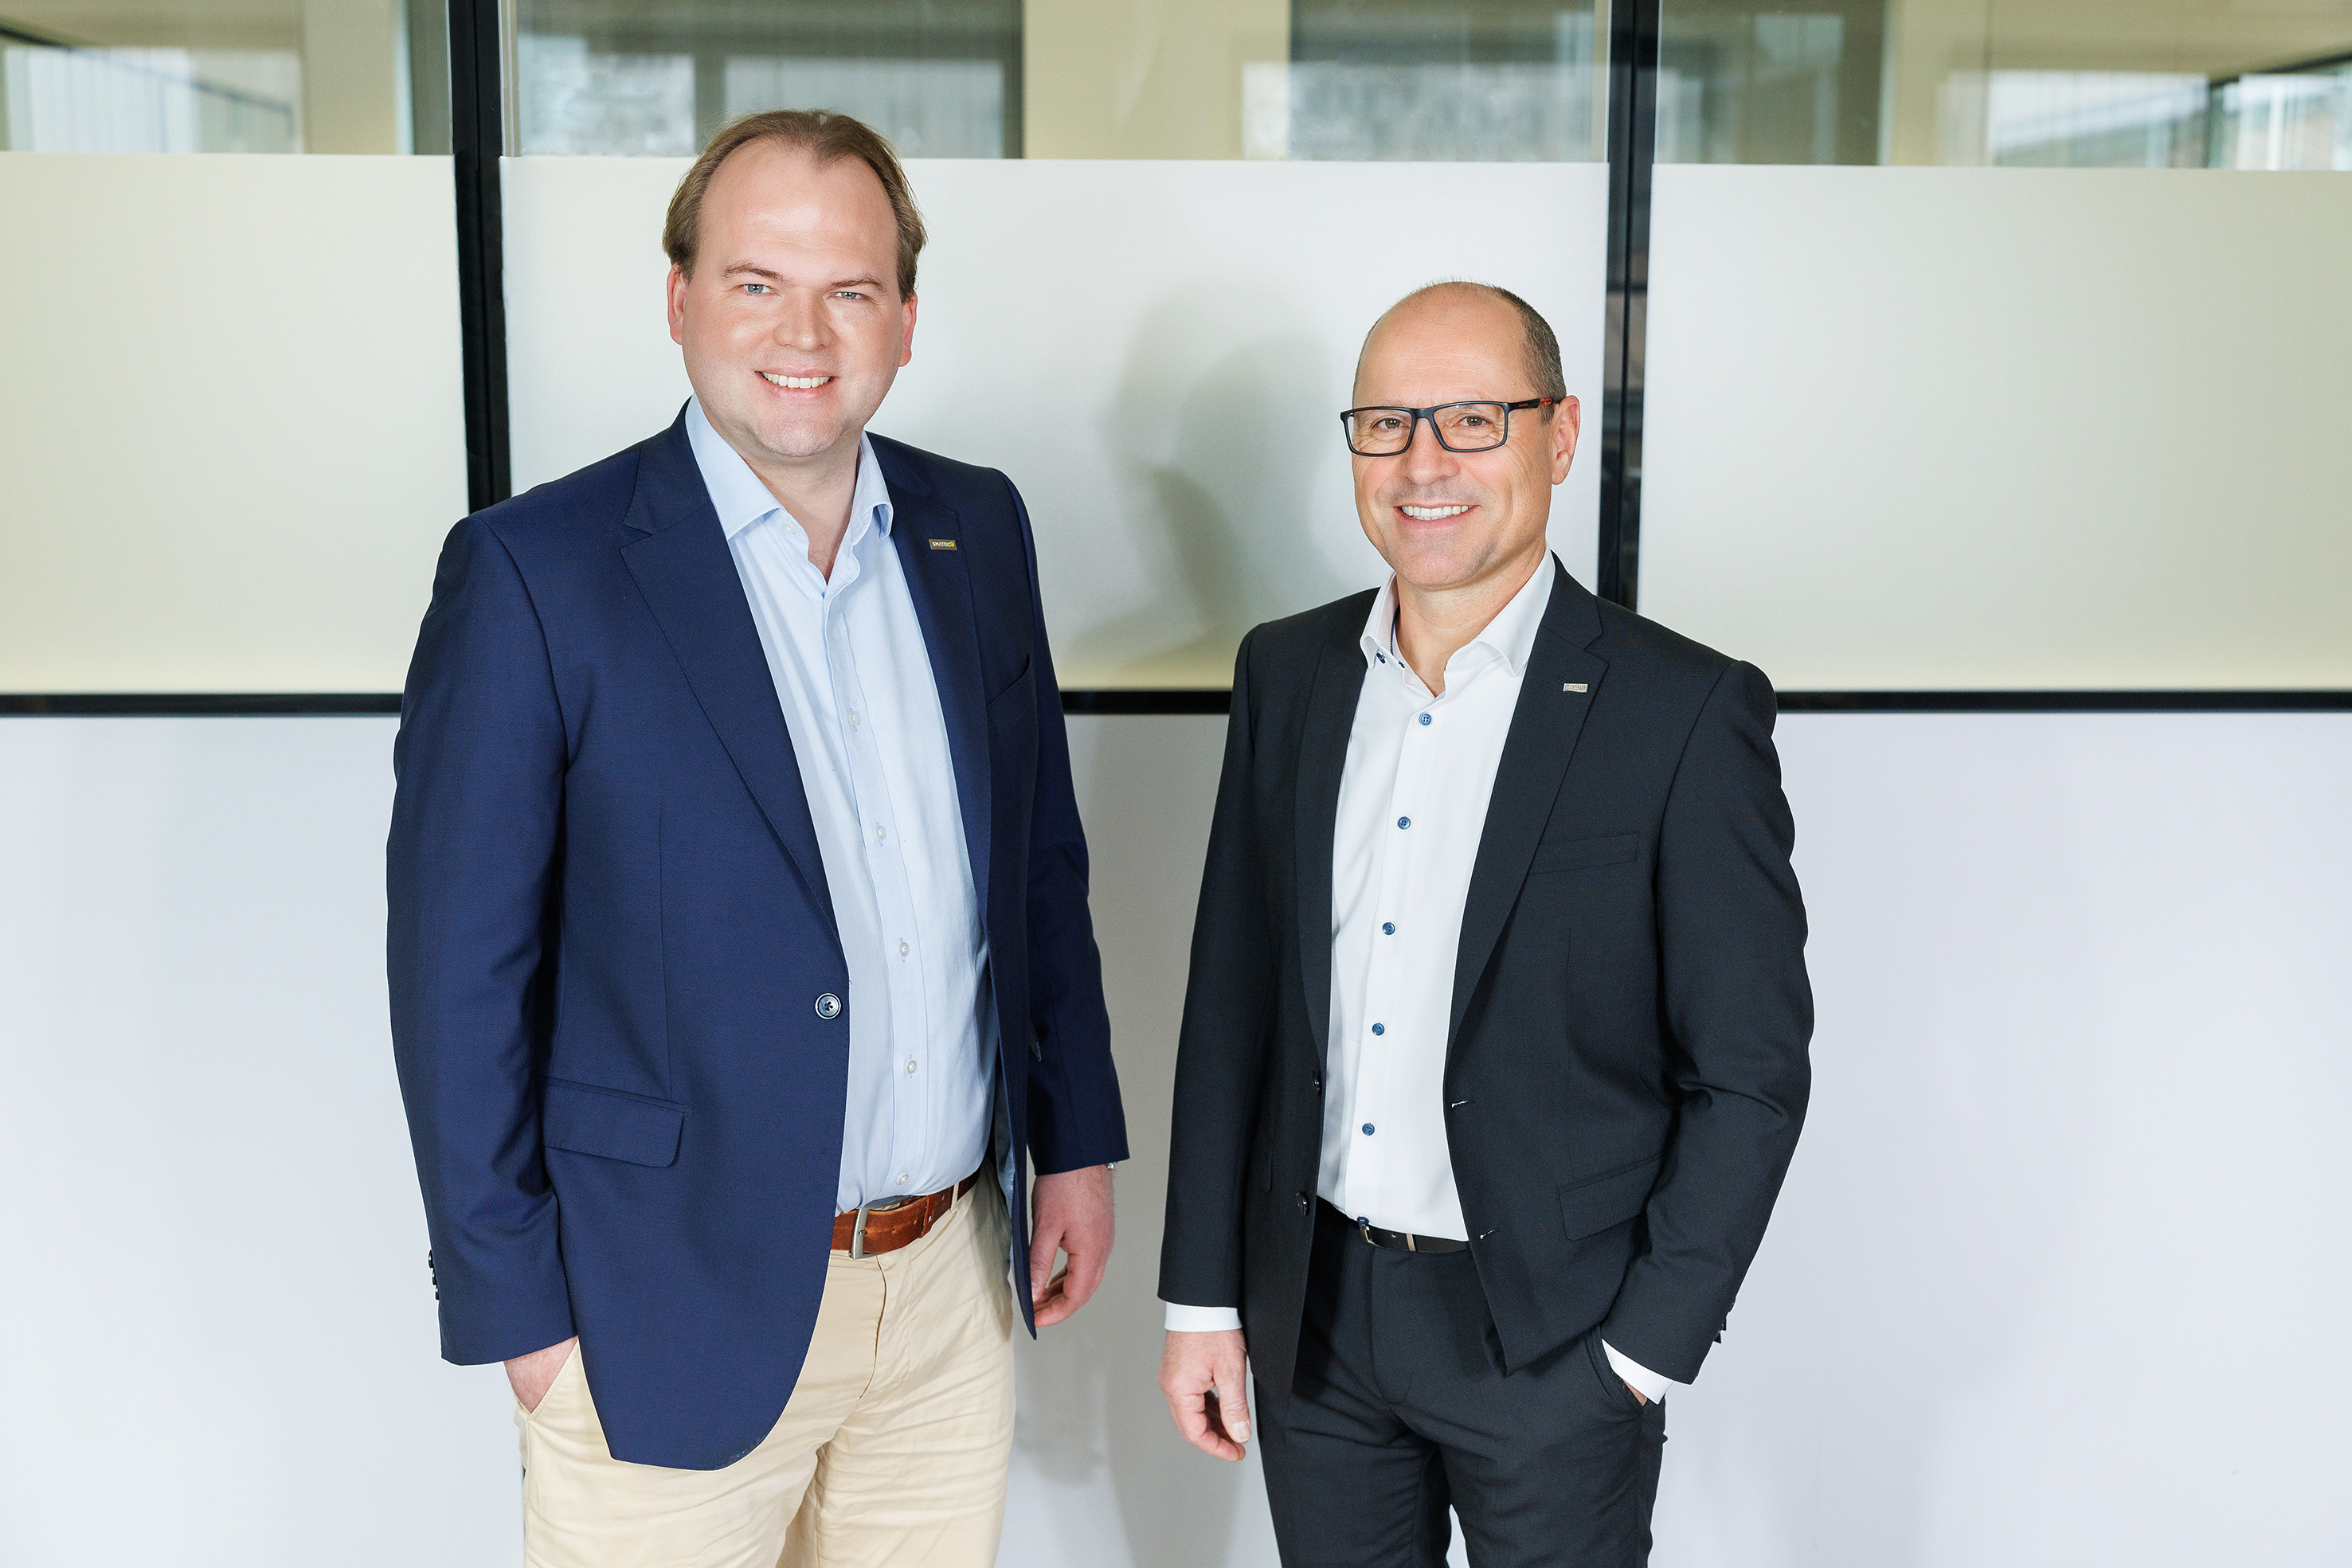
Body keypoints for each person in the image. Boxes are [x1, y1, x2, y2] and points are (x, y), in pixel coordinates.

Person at [387, 110, 1128, 1566]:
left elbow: (1039, 865)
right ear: (678, 301)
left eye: (850, 289)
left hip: (945, 1290)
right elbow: (456, 975)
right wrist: (522, 1319)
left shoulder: (979, 531)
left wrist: (1078, 1143)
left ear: (904, 319)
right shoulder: (535, 573)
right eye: (754, 283)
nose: (804, 332)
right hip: (655, 1307)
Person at [1155, 282, 1812, 1566]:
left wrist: (1637, 1354)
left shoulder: (1681, 711)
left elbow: (1750, 1072)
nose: (1423, 463)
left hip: (1554, 1344)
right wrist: (1200, 1298)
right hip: (1314, 1330)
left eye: (1471, 419)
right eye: (1387, 423)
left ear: (1557, 437)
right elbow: (1229, 1006)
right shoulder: (1286, 674)